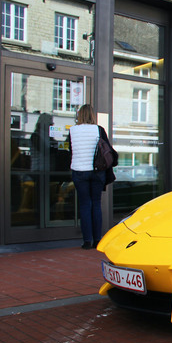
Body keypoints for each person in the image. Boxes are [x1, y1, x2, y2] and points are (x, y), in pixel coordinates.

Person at [69, 104, 107, 249]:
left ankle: (86, 241)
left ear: (79, 115)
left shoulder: (73, 130)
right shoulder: (99, 130)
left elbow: (70, 150)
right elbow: (106, 149)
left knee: (85, 205)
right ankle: (97, 239)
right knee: (96, 204)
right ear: (92, 115)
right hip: (97, 171)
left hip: (79, 170)